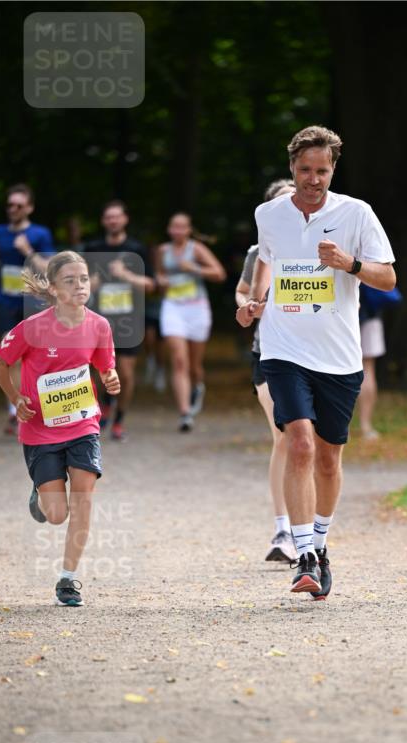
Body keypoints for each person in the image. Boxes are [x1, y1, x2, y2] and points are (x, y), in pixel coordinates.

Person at [236, 125, 396, 599]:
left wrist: (348, 264)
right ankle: (303, 555)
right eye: (305, 170)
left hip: (338, 354)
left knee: (328, 458)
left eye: (322, 171)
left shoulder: (356, 213)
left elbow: (387, 278)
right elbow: (269, 264)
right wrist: (255, 302)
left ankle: (321, 545)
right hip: (283, 350)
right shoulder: (269, 214)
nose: (313, 179)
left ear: (333, 169)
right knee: (299, 444)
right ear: (292, 168)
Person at [0, 251, 119, 606]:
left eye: (84, 279)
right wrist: (16, 398)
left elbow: (105, 367)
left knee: (82, 501)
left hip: (83, 423)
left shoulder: (99, 326)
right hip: (40, 431)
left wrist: (111, 380)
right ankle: (41, 494)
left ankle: (68, 579)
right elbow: (0, 366)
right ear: (52, 287)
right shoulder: (32, 328)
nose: (80, 286)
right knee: (57, 514)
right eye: (70, 280)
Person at [236, 178, 297, 565]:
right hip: (269, 352)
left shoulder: (320, 247)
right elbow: (243, 292)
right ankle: (283, 528)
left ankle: (308, 526)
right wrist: (250, 305)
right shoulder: (260, 252)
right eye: (280, 203)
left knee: (311, 440)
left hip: (313, 354)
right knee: (285, 435)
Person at [84, 200, 154, 441]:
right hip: (98, 319)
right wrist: (91, 284)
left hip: (129, 320)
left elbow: (151, 284)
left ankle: (120, 418)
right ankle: (105, 402)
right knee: (98, 370)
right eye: (108, 217)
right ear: (104, 221)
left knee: (124, 372)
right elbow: (80, 282)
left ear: (125, 219)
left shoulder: (136, 248)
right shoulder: (93, 248)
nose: (113, 221)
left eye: (117, 217)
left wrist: (126, 275)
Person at [156, 213, 226, 432]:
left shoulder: (196, 249)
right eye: (174, 227)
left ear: (188, 230)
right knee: (178, 360)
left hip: (196, 308)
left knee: (194, 366)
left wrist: (194, 268)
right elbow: (159, 276)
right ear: (169, 229)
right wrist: (161, 281)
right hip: (172, 307)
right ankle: (185, 413)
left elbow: (219, 273)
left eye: (182, 227)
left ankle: (197, 386)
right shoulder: (162, 251)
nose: (177, 231)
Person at [0, 184, 55, 433]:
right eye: (10, 205)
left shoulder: (40, 234)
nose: (13, 209)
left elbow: (49, 268)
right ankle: (16, 410)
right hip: (6, 301)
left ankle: (39, 405)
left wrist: (28, 251)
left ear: (29, 207)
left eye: (19, 205)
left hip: (33, 303)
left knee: (36, 357)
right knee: (10, 355)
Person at [357, 283, 401, 440]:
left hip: (339, 317)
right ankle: (365, 425)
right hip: (370, 316)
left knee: (335, 370)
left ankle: (337, 426)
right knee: (367, 369)